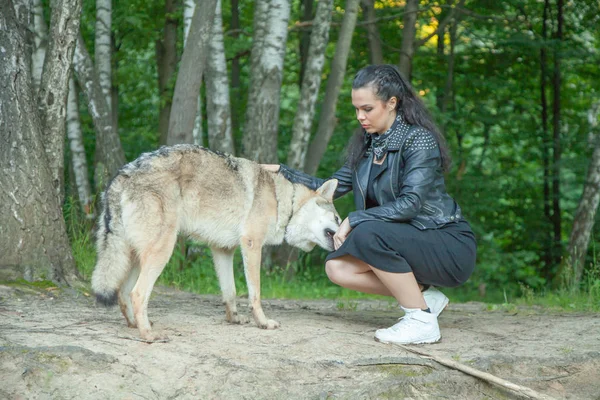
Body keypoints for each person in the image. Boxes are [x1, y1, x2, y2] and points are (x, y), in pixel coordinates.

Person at [262, 64, 476, 345]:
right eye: (356, 109)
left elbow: (410, 204)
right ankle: (424, 299)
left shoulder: (419, 140)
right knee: (337, 268)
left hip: (446, 244)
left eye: (367, 109)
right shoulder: (370, 144)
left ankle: (421, 321)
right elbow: (328, 187)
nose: (360, 117)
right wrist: (280, 171)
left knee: (365, 232)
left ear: (391, 103)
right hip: (402, 240)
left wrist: (354, 219)